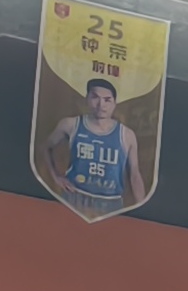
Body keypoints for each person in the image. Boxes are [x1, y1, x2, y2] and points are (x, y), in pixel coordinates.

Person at [46, 74, 135, 211]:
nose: (101, 105)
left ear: (114, 103)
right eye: (95, 98)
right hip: (74, 196)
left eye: (107, 100)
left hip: (110, 201)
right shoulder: (70, 124)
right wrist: (56, 177)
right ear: (87, 98)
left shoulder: (126, 134)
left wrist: (141, 207)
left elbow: (134, 173)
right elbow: (45, 148)